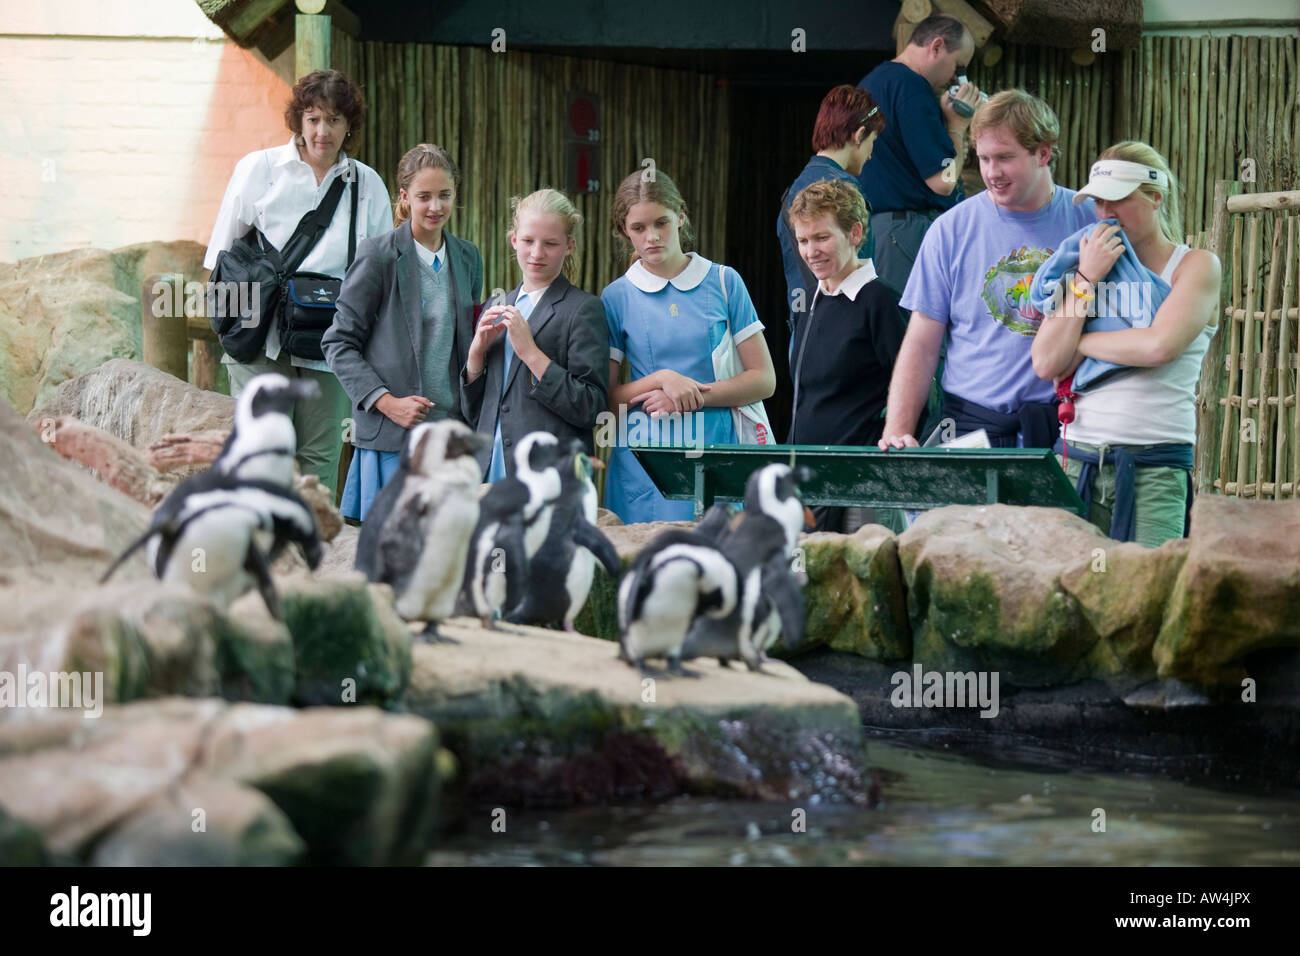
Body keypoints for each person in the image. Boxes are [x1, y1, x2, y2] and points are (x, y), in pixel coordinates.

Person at [205, 69, 393, 494]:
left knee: (318, 468)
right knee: (259, 459)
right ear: (298, 120)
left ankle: (309, 558)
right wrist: (233, 327)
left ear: (349, 126)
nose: (322, 132)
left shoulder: (367, 185)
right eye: (312, 118)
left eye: (333, 120)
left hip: (330, 344)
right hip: (261, 339)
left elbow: (379, 276)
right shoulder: (260, 168)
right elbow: (222, 257)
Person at [878, 89, 1098, 450]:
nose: (992, 172)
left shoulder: (1089, 219)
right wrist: (897, 431)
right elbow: (921, 342)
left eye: (1004, 158)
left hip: (1069, 424)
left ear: (1044, 152)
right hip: (972, 428)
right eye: (984, 159)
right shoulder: (950, 230)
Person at [1030, 143, 1220, 547]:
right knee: (1071, 590)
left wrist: (1079, 341)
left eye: (1118, 200)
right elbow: (1046, 362)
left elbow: (1157, 347)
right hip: (1076, 458)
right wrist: (1085, 279)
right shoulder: (1087, 265)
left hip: (1154, 466)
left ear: (1156, 198)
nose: (1105, 214)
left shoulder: (1195, 266)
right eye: (1098, 202)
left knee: (1149, 596)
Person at [602, 170, 777, 523]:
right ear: (624, 230)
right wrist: (661, 379)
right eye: (638, 228)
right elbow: (604, 398)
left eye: (661, 222)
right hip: (643, 459)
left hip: (719, 450)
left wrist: (690, 395)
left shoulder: (725, 282)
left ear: (681, 215)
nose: (651, 236)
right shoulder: (615, 296)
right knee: (644, 571)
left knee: (720, 567)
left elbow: (764, 380)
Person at [322, 144, 483, 521]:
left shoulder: (468, 257)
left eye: (444, 195)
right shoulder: (378, 256)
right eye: (424, 196)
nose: (435, 207)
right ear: (405, 197)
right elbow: (338, 343)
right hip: (392, 437)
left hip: (449, 436)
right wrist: (387, 403)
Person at [461, 188, 609, 479]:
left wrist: (531, 354)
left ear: (569, 245)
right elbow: (475, 410)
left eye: (551, 243)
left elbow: (591, 408)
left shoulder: (584, 309)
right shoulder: (497, 303)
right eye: (528, 240)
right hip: (490, 470)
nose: (537, 253)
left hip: (549, 476)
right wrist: (475, 357)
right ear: (514, 240)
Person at [787, 179, 906, 532]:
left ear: (855, 233)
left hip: (861, 486)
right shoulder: (806, 303)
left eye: (821, 237)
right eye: (803, 241)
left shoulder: (881, 301)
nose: (811, 251)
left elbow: (915, 390)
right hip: (804, 485)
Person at [857, 13, 983, 297]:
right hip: (905, 233)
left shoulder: (875, 81)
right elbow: (944, 180)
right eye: (958, 66)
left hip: (878, 233)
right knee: (916, 333)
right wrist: (957, 127)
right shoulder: (913, 88)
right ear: (936, 46)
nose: (957, 77)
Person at [777, 85, 885, 351]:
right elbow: (860, 271)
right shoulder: (845, 190)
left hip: (802, 331)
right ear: (859, 135)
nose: (871, 154)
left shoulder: (792, 191)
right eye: (872, 142)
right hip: (844, 333)